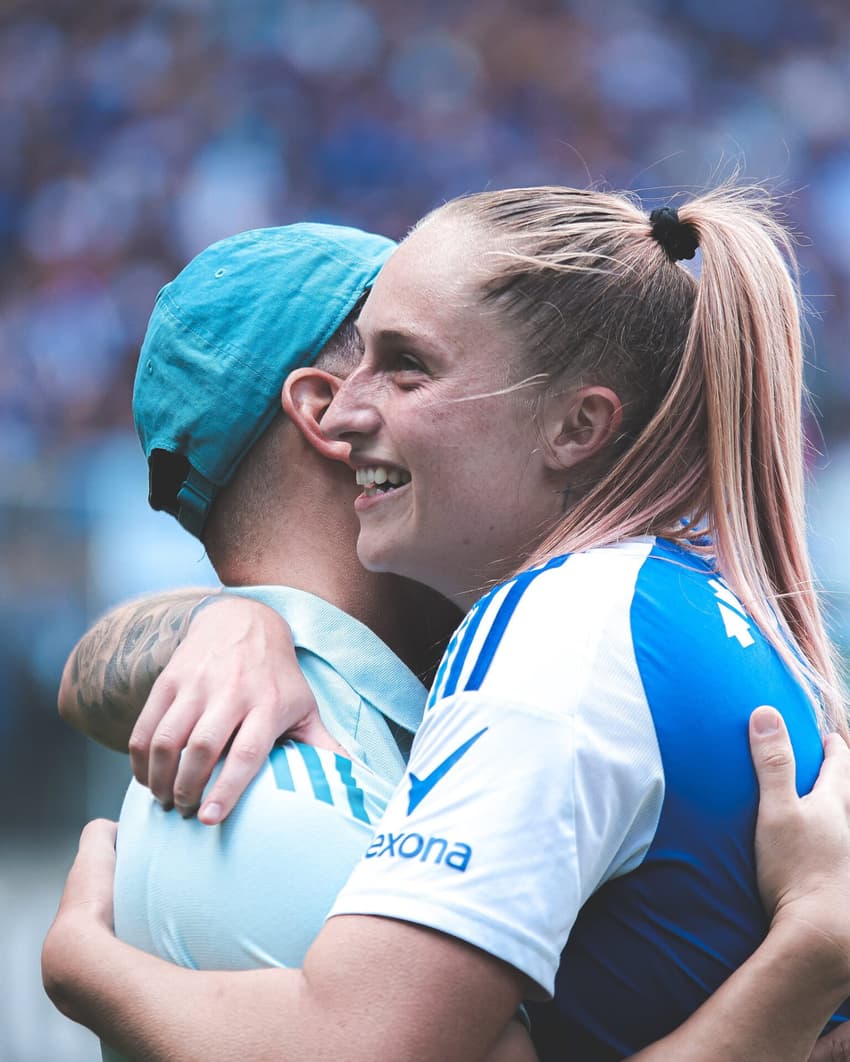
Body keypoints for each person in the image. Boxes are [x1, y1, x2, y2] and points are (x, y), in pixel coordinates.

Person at [46, 185, 850, 1061]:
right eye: (370, 360)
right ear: (318, 414)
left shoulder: (557, 638)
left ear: (575, 423)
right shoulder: (271, 786)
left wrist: (85, 967)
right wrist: (231, 622)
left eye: (407, 365)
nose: (360, 411)